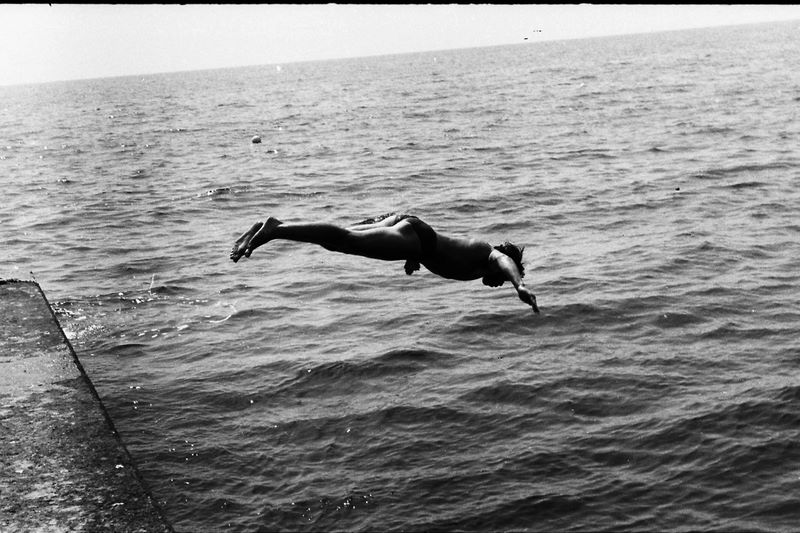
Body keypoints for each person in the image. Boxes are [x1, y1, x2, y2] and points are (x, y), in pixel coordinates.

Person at [230, 213, 539, 313]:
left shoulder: (475, 259)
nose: (498, 284)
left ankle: (271, 226)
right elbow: (503, 261)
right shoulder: (489, 255)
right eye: (502, 279)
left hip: (413, 235)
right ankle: (275, 230)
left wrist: (413, 258)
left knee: (338, 240)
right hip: (416, 236)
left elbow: (445, 253)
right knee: (347, 240)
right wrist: (520, 286)